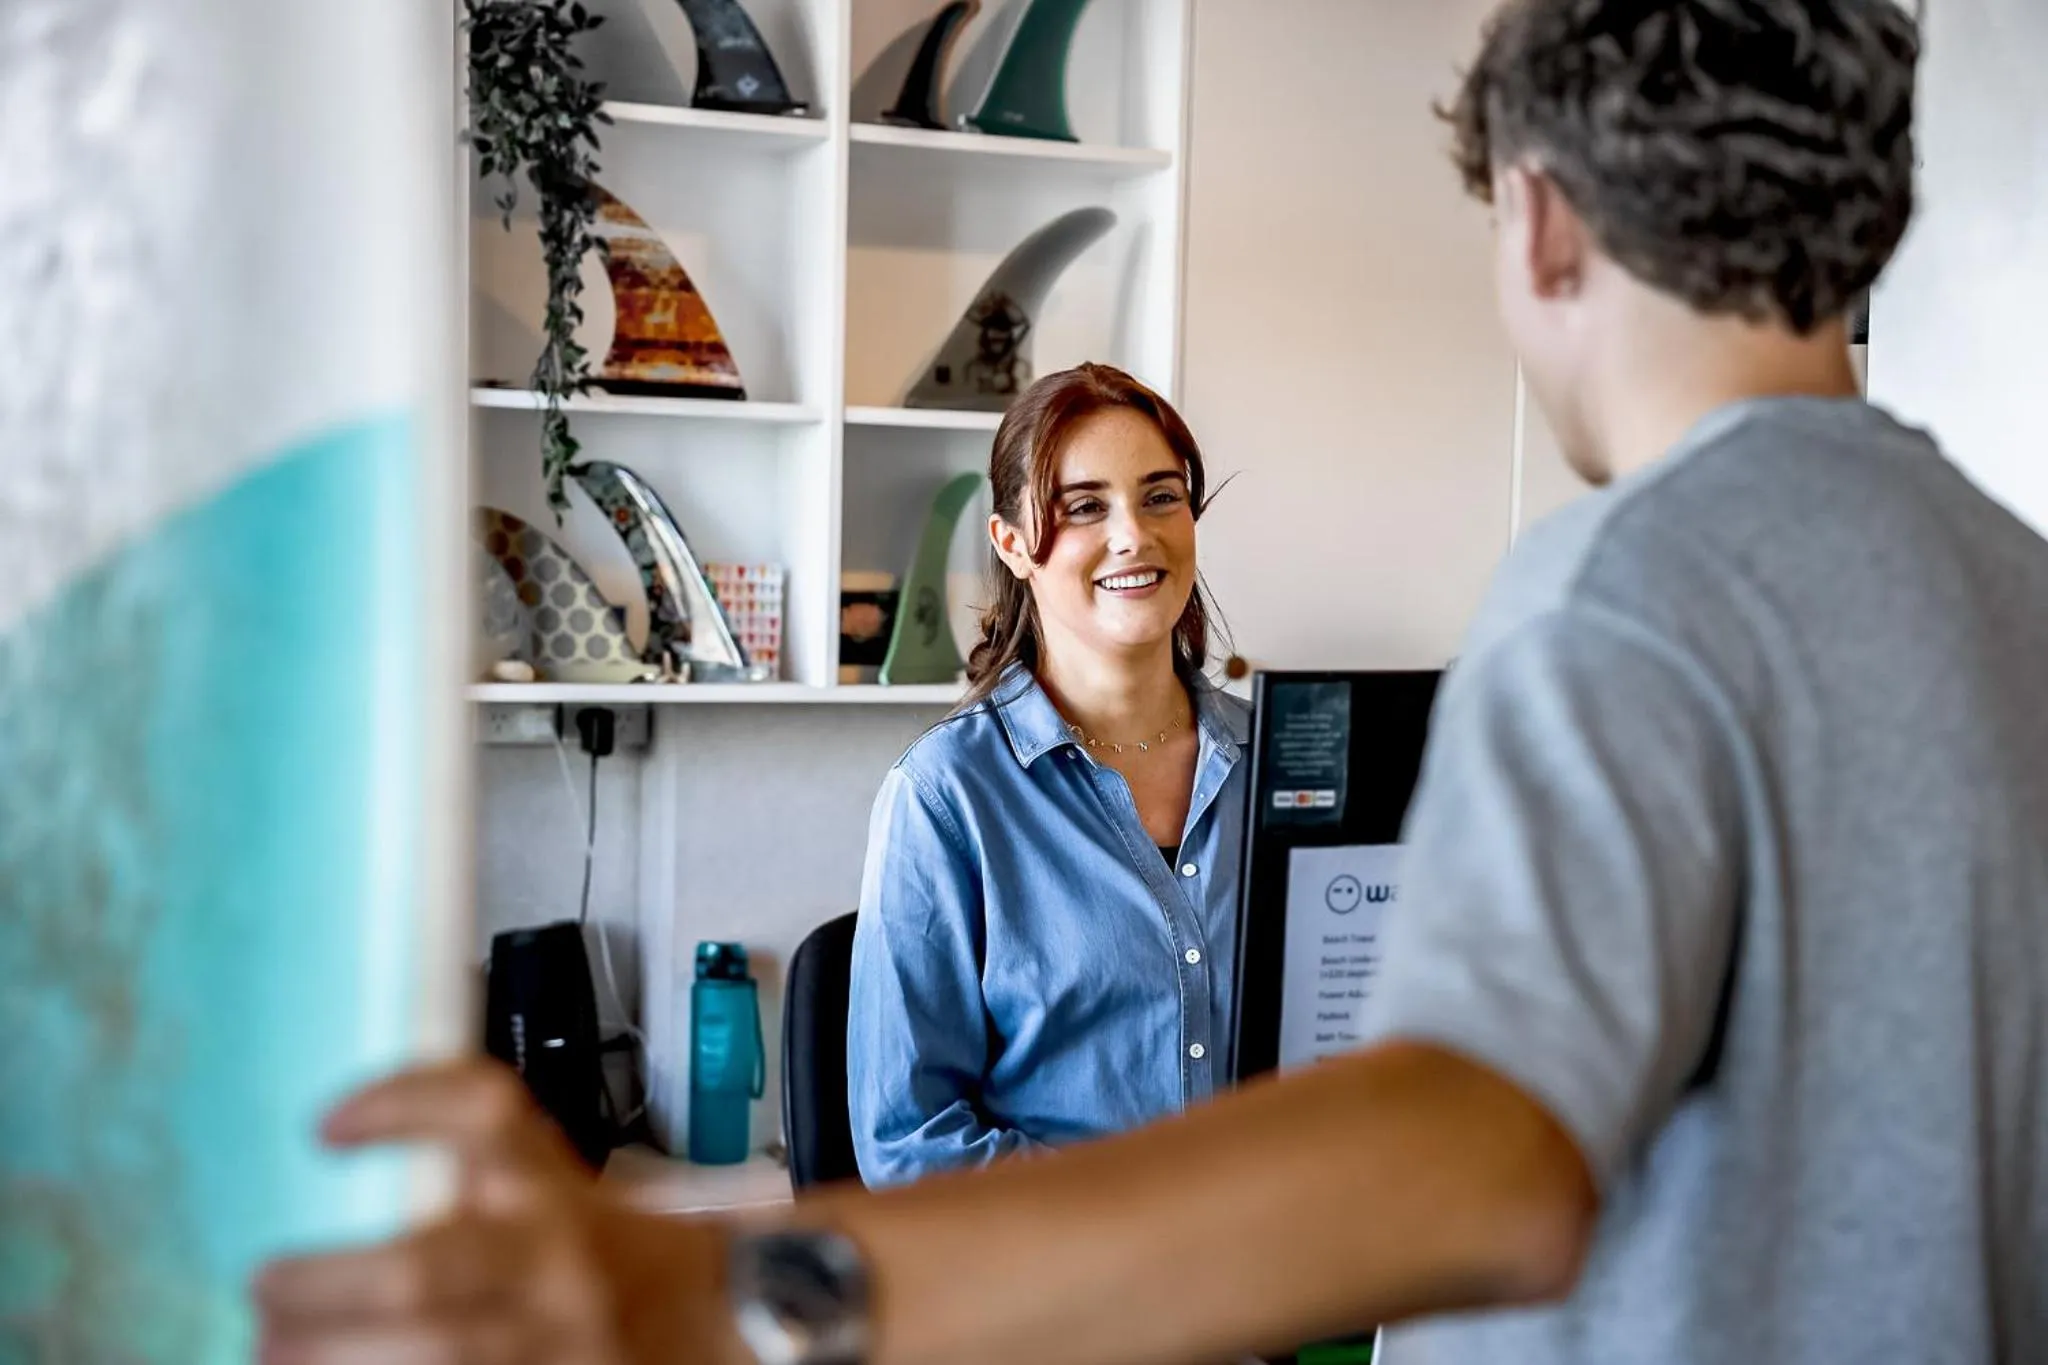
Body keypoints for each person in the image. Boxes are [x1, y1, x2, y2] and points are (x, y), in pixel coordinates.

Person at [255, 3, 2048, 1364]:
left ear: (1543, 222)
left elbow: (1479, 1160)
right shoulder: (2014, 589)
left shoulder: (1617, 599)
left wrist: (720, 1288)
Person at [848, 363, 1250, 1187]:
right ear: (1011, 545)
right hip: (1066, 1293)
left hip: (1292, 1282)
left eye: (1161, 496)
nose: (1134, 534)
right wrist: (1161, 1223)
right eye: (1085, 506)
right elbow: (909, 1145)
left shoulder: (1277, 769)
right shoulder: (945, 797)